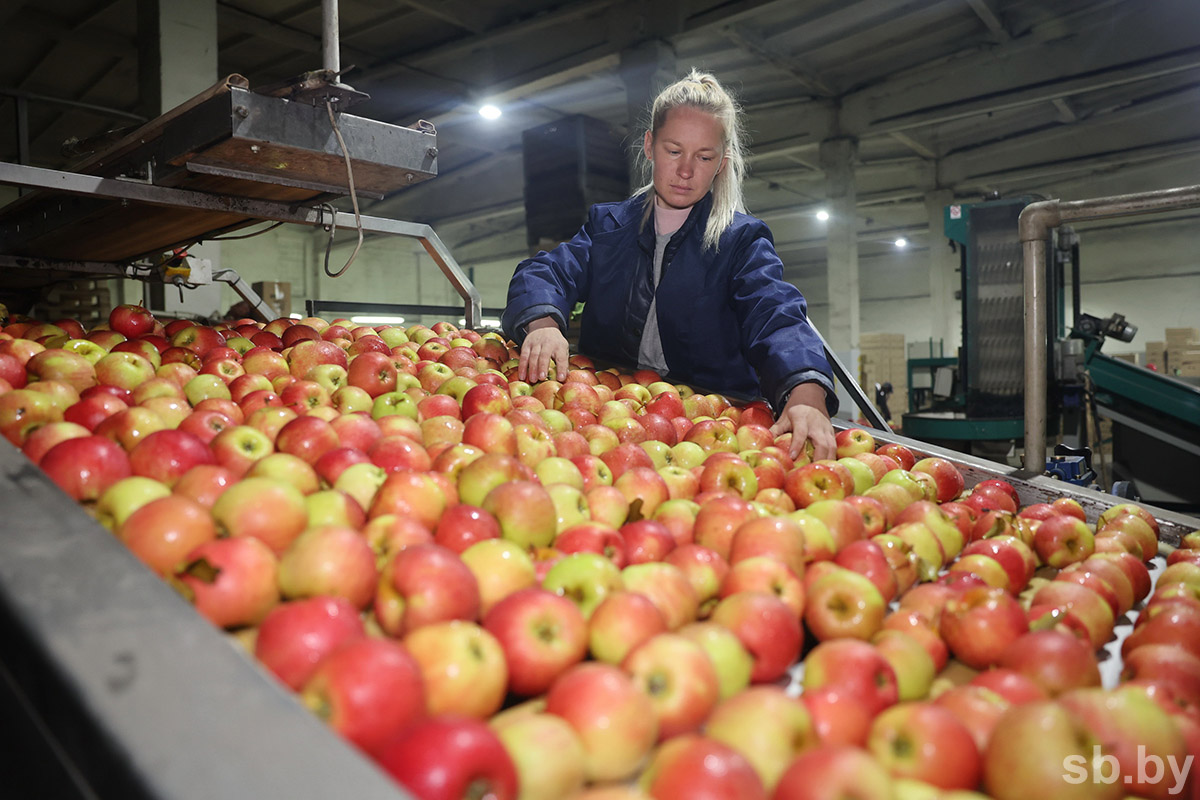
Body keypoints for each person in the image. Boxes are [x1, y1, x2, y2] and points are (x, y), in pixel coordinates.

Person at [501, 69, 837, 460]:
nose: (685, 170)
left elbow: (776, 315)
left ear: (722, 163)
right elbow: (545, 272)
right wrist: (543, 324)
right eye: (673, 151)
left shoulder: (740, 241)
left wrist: (806, 393)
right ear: (649, 145)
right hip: (606, 417)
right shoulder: (609, 226)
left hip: (708, 429)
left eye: (704, 156)